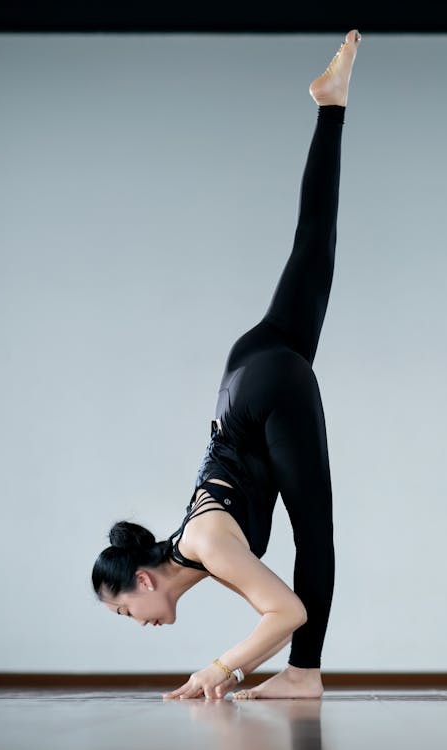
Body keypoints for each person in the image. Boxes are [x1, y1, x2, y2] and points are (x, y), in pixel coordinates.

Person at [91, 29, 362, 701]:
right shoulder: (196, 541)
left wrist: (217, 671)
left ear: (144, 580)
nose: (135, 622)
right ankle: (332, 106)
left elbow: (285, 610)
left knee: (316, 537)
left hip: (263, 392)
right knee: (314, 246)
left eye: (125, 610)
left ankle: (304, 675)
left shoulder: (208, 547)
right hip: (246, 374)